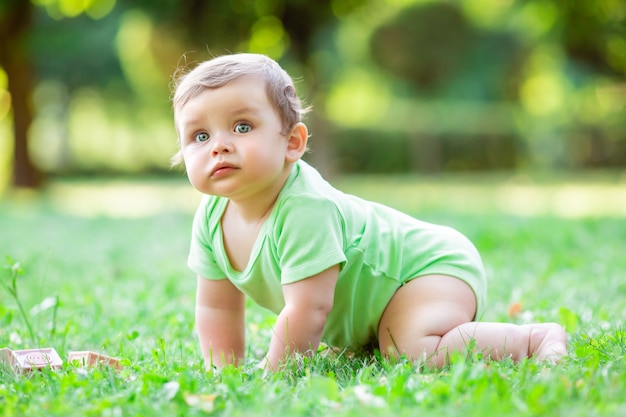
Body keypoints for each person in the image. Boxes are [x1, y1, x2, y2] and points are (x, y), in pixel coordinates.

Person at [170, 53, 567, 371]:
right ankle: (373, 335)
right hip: (390, 295)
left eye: (241, 127)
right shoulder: (211, 217)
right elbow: (217, 305)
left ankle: (532, 339)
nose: (218, 145)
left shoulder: (304, 208)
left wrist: (273, 376)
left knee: (408, 350)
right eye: (200, 136)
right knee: (382, 345)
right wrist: (225, 374)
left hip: (425, 269)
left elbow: (308, 309)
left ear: (292, 143)